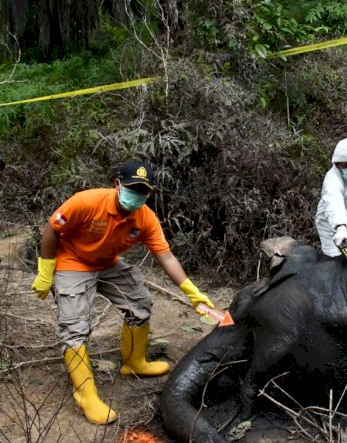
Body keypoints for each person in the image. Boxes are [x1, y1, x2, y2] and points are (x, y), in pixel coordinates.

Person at [31, 161, 216, 425]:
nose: (136, 196)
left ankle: (134, 362)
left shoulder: (145, 219)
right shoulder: (85, 202)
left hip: (107, 263)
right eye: (132, 188)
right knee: (74, 326)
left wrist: (192, 292)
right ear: (117, 185)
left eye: (143, 192)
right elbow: (52, 229)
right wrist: (46, 269)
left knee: (140, 302)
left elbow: (166, 257)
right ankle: (86, 395)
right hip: (73, 262)